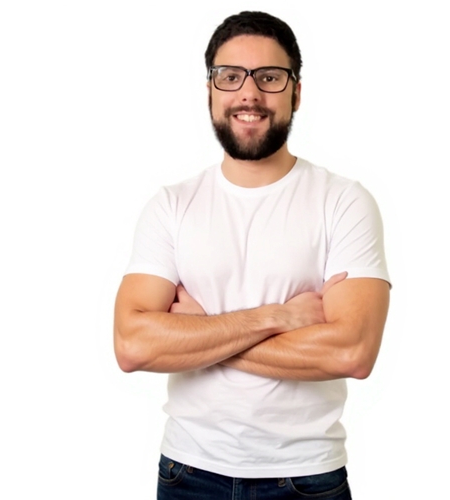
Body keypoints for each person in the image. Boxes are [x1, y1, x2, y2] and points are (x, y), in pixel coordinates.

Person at [114, 10, 391, 500]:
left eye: (269, 77)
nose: (249, 93)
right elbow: (133, 345)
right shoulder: (171, 205)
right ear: (210, 91)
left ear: (296, 93)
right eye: (230, 76)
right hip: (187, 473)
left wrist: (198, 333)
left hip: (307, 477)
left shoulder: (343, 201)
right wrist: (278, 317)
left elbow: (352, 352)